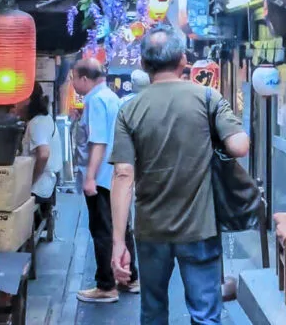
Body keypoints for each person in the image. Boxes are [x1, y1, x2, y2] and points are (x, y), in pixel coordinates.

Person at [109, 26, 250, 325]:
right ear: (183, 60)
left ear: (144, 65)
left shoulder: (129, 110)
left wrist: (118, 242)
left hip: (150, 229)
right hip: (199, 227)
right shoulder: (207, 98)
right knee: (205, 315)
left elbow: (123, 175)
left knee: (153, 312)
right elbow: (239, 146)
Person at [71, 58, 139, 303]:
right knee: (121, 226)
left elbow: (98, 140)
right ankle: (129, 278)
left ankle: (106, 285)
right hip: (115, 176)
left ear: (85, 79)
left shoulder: (96, 100)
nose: (72, 84)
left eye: (73, 79)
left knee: (102, 230)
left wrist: (89, 177)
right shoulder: (110, 97)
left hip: (101, 178)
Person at [22, 86, 61, 237]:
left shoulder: (37, 123)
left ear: (27, 101)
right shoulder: (44, 119)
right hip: (46, 181)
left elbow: (43, 154)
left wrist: (30, 181)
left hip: (40, 186)